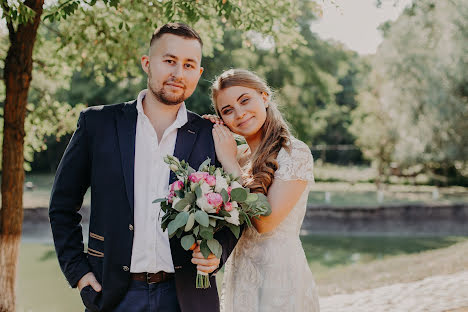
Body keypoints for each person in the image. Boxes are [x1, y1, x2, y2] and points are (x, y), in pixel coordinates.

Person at [49, 23, 238, 312]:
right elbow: (62, 205)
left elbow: (235, 207)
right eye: (169, 61)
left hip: (188, 298)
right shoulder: (97, 124)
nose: (178, 73)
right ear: (147, 64)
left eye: (189, 65)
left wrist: (218, 254)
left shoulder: (211, 135)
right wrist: (77, 272)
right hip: (113, 296)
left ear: (198, 74)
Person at [204, 69, 320, 312]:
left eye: (245, 100)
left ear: (265, 97)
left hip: (280, 280)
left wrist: (229, 162)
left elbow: (265, 222)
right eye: (227, 111)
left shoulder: (294, 153)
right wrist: (207, 135)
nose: (239, 113)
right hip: (240, 275)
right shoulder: (239, 156)